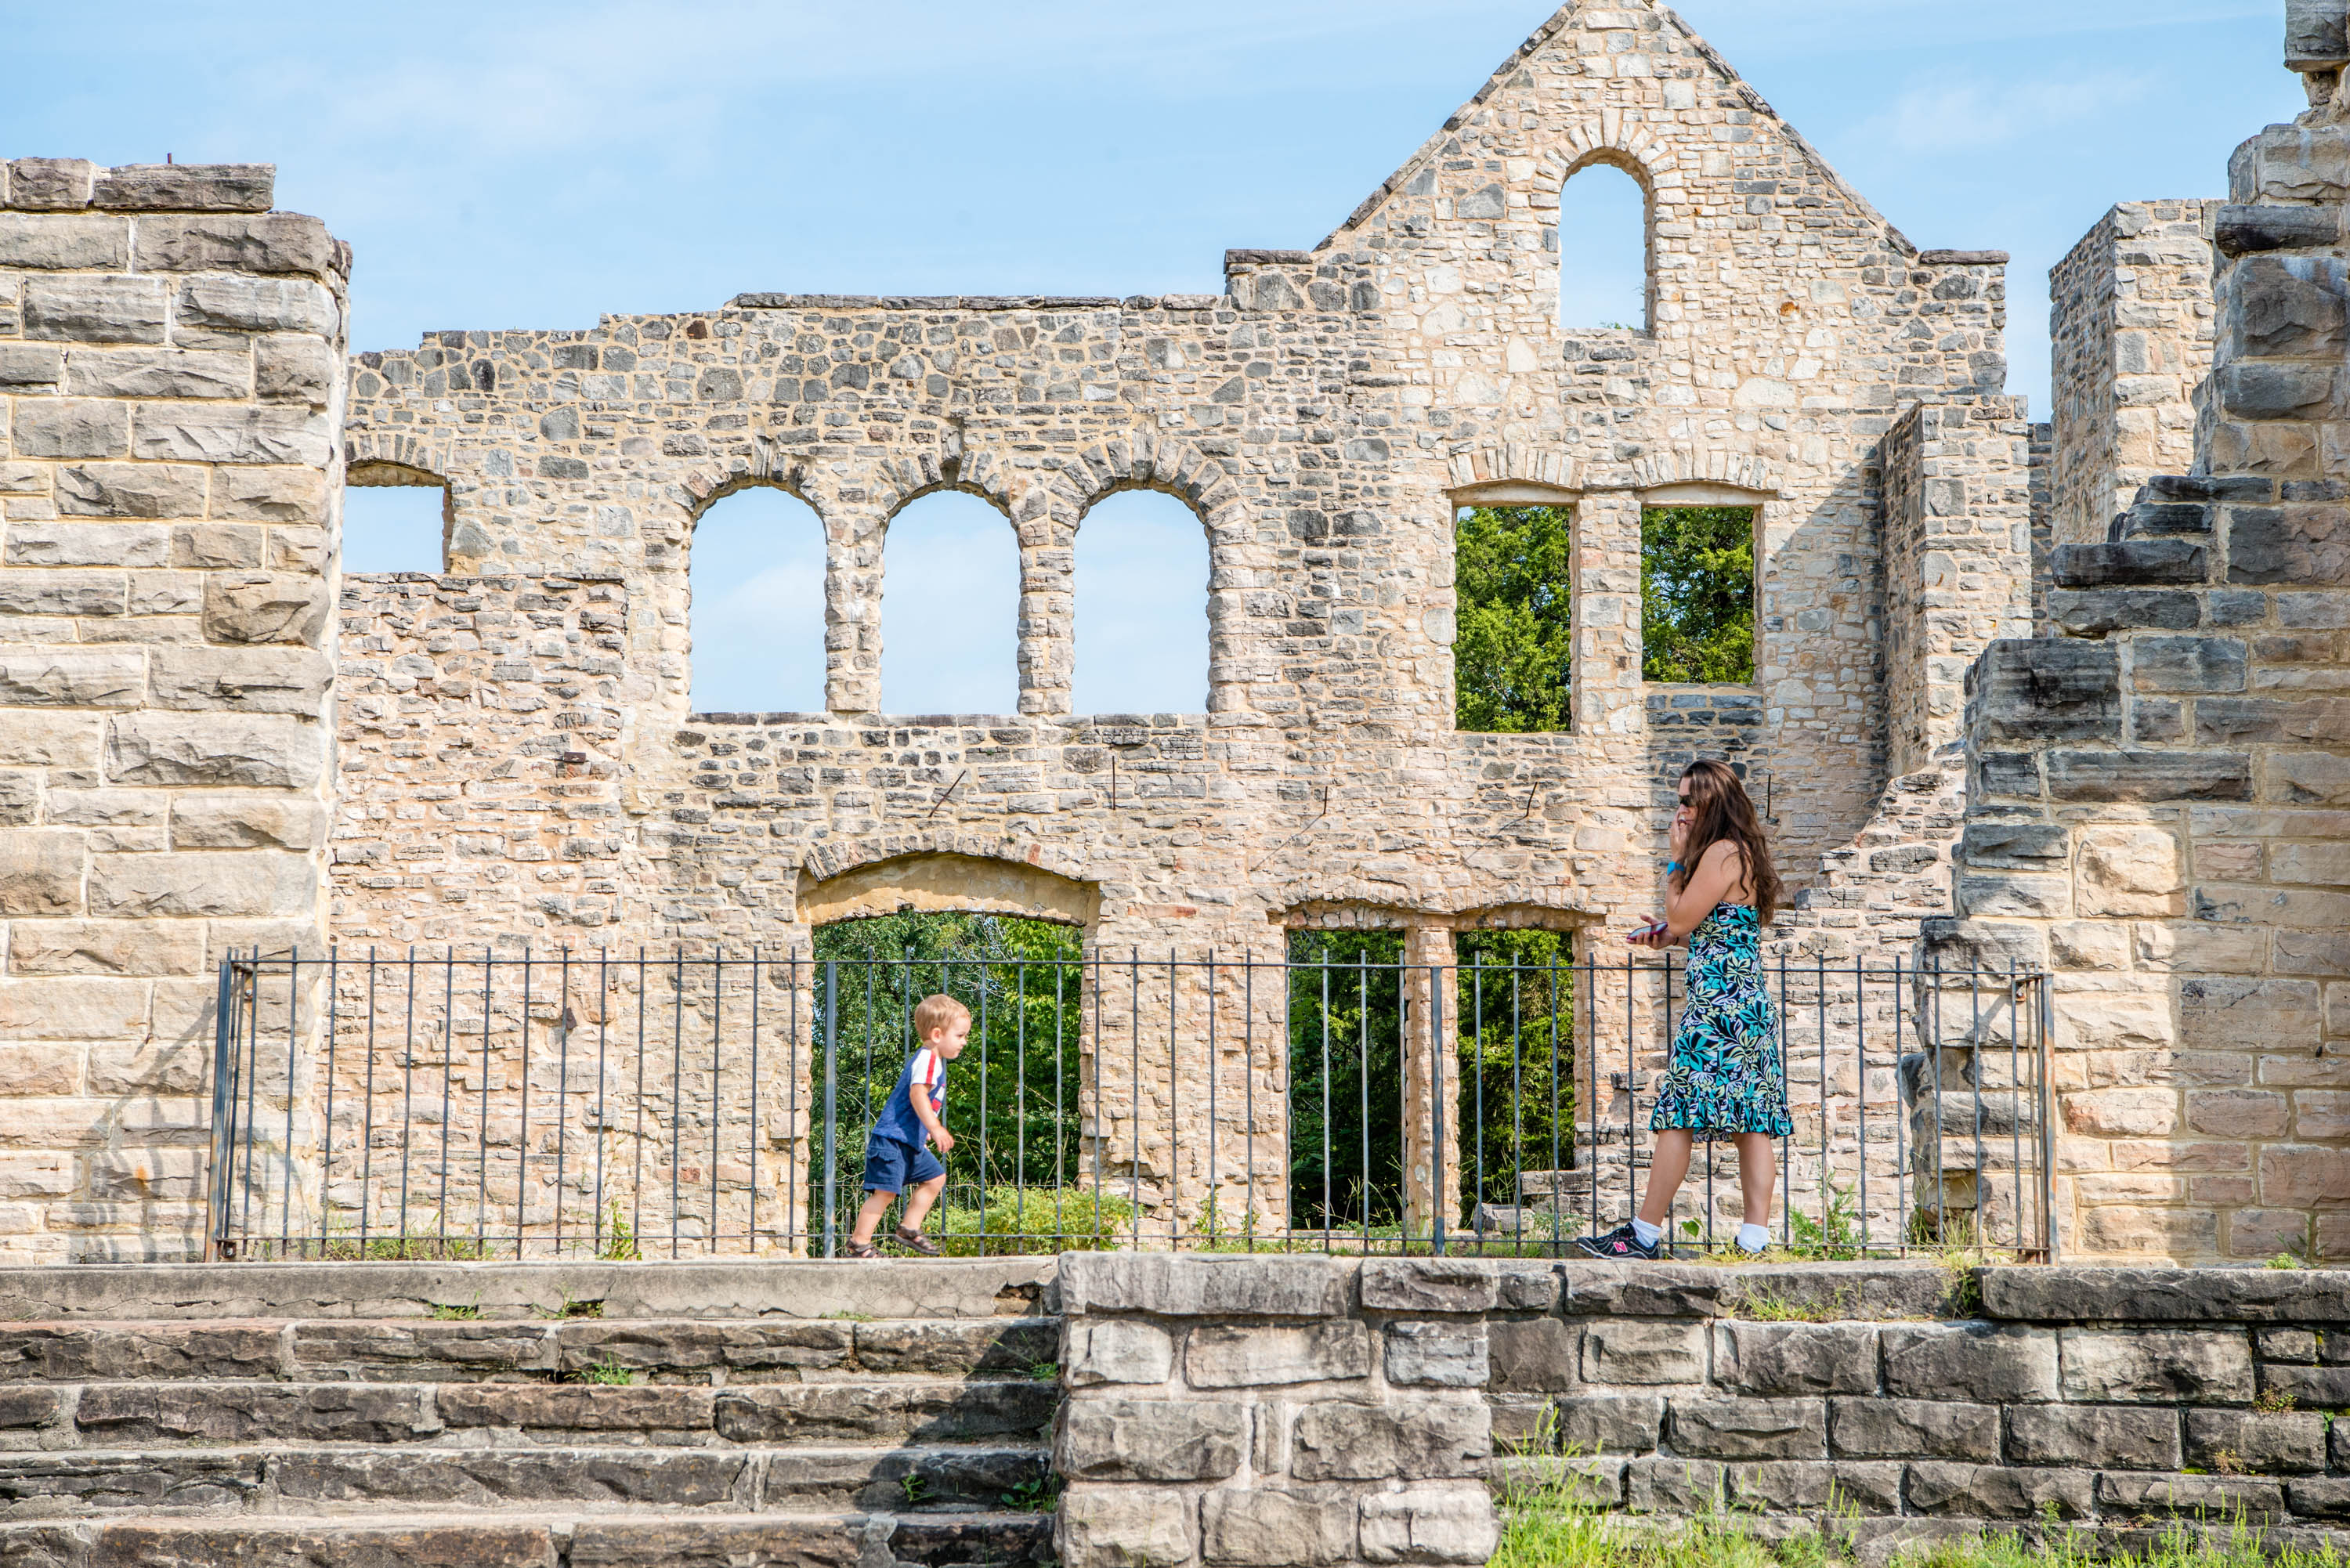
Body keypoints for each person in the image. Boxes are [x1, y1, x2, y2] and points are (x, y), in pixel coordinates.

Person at [1578, 759, 1789, 1262]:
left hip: (1719, 1008)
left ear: (1710, 803)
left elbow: (1680, 912)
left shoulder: (1719, 852)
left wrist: (1673, 864)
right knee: (1753, 1121)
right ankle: (1753, 1241)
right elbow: (1703, 927)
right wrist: (1670, 936)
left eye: (1687, 801)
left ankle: (1644, 1236)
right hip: (1744, 1004)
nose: (1681, 811)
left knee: (1678, 1117)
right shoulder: (1739, 853)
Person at [845, 993, 968, 1259]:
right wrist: (935, 1128)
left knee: (936, 1177)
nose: (964, 1042)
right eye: (960, 1036)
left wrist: (922, 1133)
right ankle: (859, 1245)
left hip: (908, 1142)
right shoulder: (928, 1059)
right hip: (892, 1140)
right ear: (937, 1034)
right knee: (885, 1192)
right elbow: (917, 1095)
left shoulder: (932, 1061)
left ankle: (909, 1228)